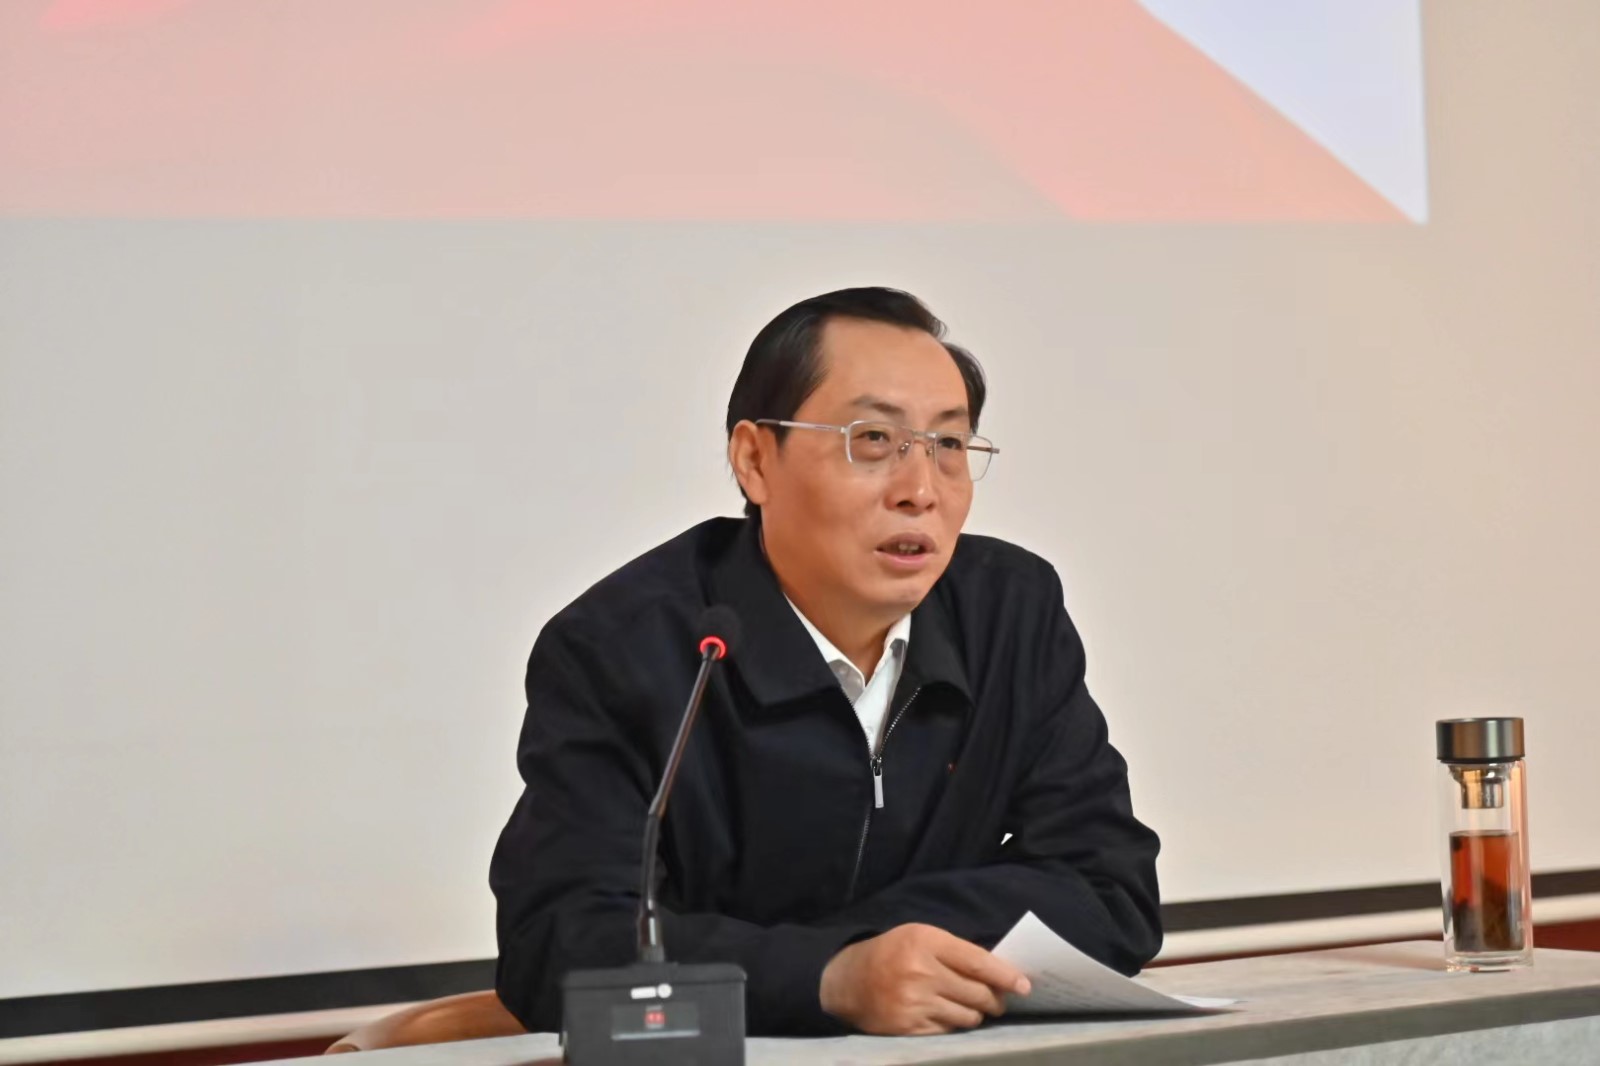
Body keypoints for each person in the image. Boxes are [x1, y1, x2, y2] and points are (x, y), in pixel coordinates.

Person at [490, 287, 1161, 1037]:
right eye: (872, 439)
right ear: (755, 460)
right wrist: (831, 976)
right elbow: (560, 941)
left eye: (948, 446)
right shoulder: (625, 647)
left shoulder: (1010, 613)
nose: (920, 491)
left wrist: (874, 953)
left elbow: (1112, 891)